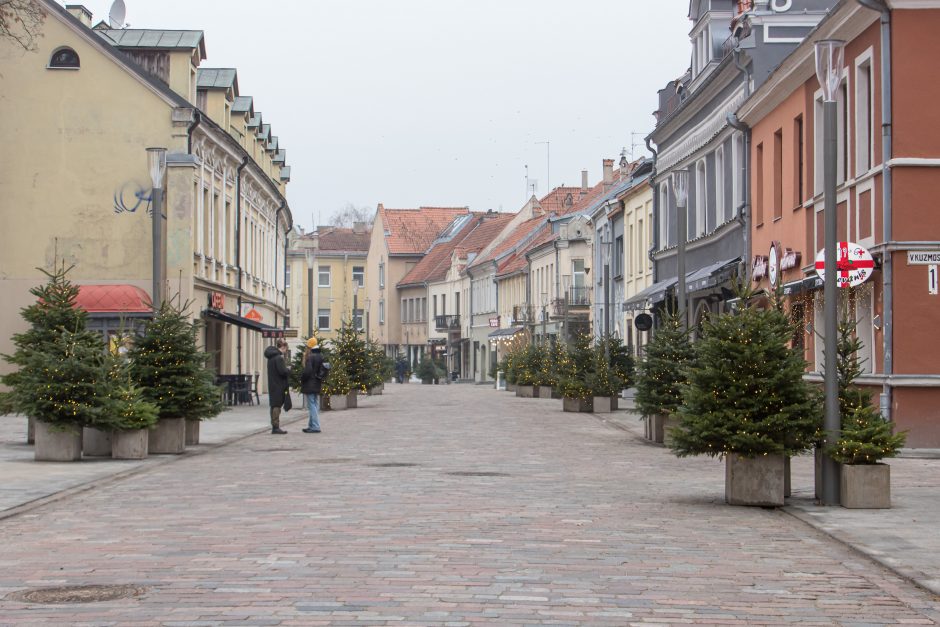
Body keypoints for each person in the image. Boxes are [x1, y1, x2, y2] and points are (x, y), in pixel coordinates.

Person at [264, 338, 290, 434]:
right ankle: (276, 426)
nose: (286, 351)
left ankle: (274, 425)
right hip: (278, 384)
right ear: (282, 347)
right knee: (277, 405)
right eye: (286, 349)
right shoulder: (278, 358)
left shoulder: (271, 357)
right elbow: (282, 372)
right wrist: (288, 370)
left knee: (273, 404)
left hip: (272, 383)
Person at [300, 337, 326, 433]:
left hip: (310, 383)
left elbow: (307, 371)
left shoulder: (310, 357)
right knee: (314, 403)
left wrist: (302, 379)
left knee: (312, 405)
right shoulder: (320, 355)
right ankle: (311, 425)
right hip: (317, 382)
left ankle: (315, 426)